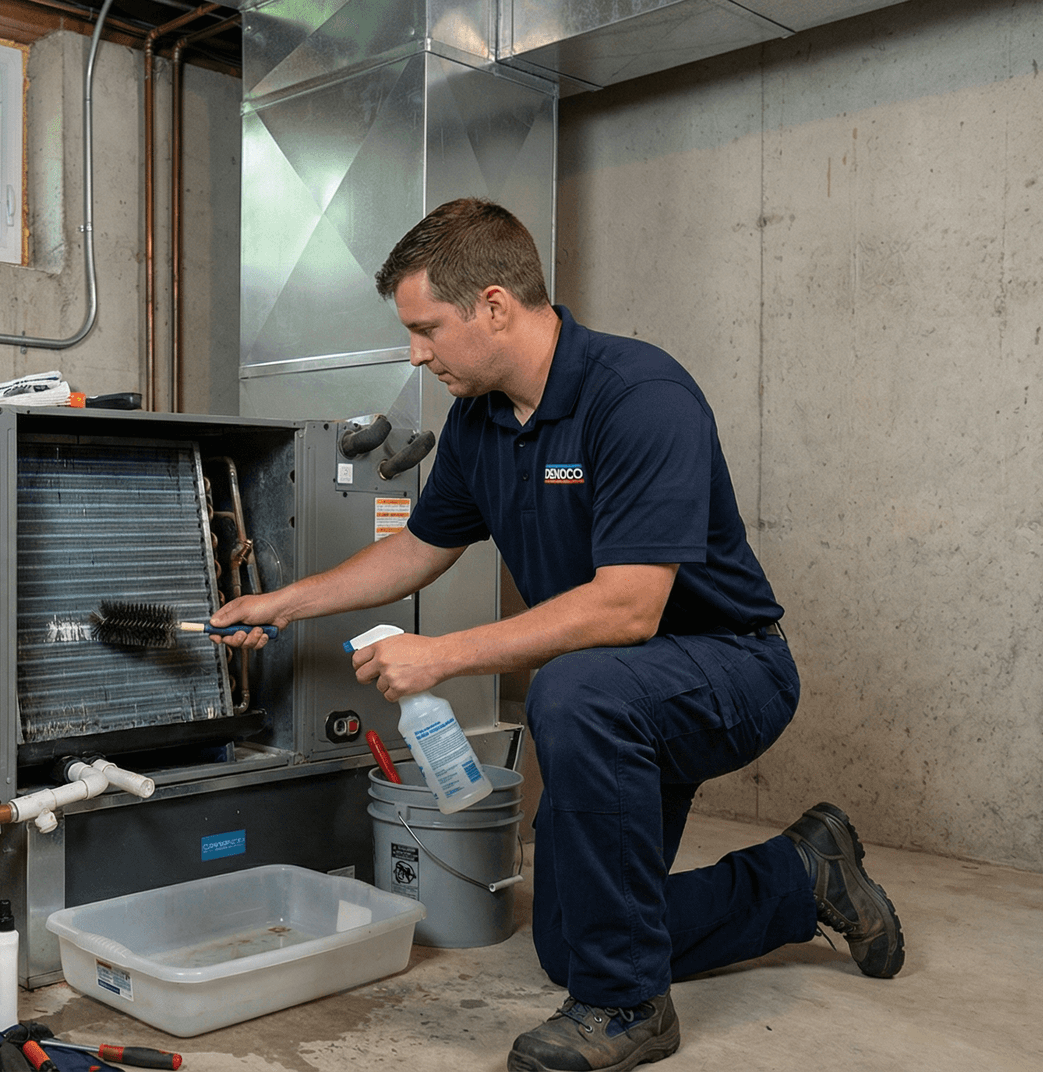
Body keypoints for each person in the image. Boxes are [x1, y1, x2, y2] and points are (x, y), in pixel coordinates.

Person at [211, 198, 904, 1071]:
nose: (414, 354)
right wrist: (283, 605)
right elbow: (423, 549)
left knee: (570, 687)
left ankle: (628, 1010)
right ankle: (803, 876)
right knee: (571, 942)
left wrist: (439, 655)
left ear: (494, 305)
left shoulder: (640, 398)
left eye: (426, 329)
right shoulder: (481, 423)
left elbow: (627, 611)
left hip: (731, 670)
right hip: (619, 691)